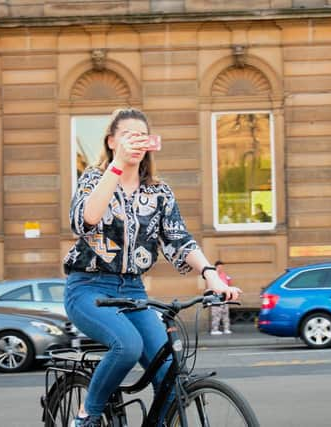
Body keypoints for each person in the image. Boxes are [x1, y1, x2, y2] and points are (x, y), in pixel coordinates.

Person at [63, 107, 240, 427]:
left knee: (171, 375)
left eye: (141, 135)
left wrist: (211, 276)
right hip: (88, 289)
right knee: (127, 346)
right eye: (128, 135)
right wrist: (115, 167)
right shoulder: (93, 178)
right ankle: (86, 415)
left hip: (133, 292)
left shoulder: (158, 192)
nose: (135, 141)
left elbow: (180, 241)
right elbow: (85, 220)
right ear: (111, 141)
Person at [210, 260, 232, 335]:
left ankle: (226, 329)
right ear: (216, 267)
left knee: (225, 313)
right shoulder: (212, 275)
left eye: (221, 267)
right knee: (216, 313)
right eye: (219, 267)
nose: (220, 269)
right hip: (216, 296)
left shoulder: (225, 275)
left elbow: (228, 284)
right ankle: (214, 330)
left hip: (225, 296)